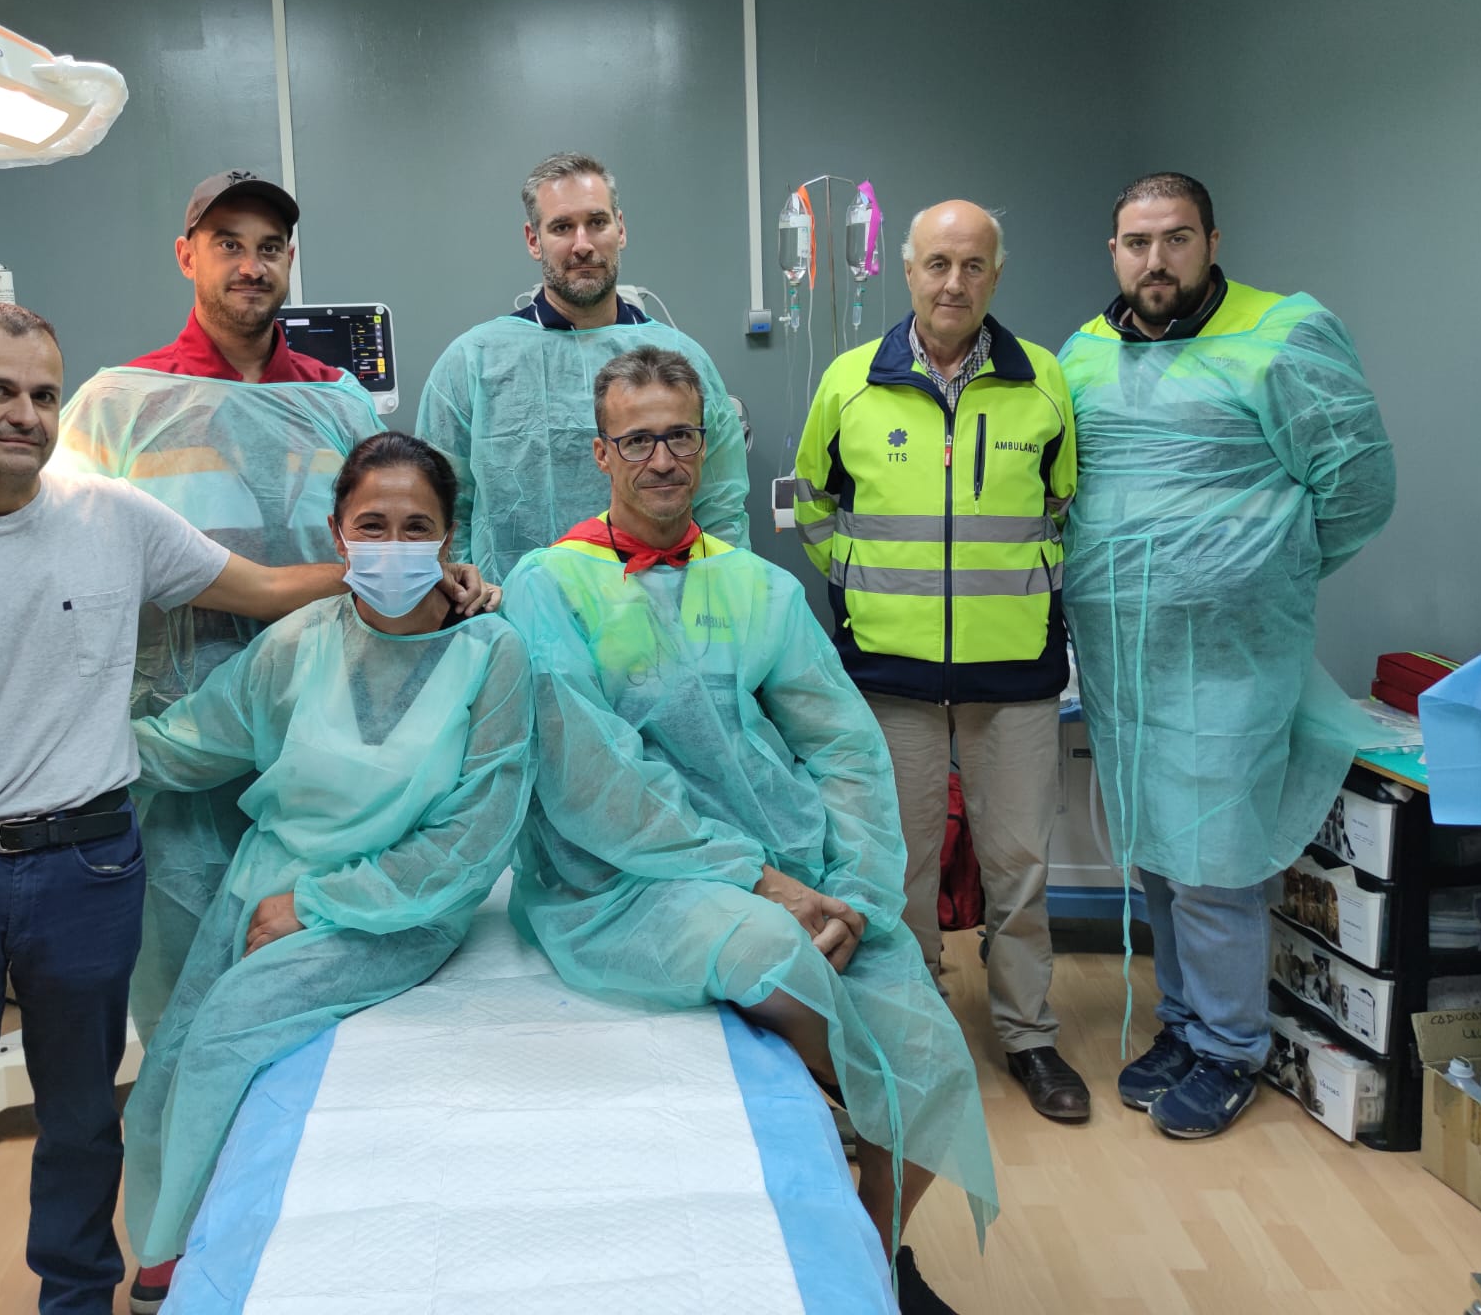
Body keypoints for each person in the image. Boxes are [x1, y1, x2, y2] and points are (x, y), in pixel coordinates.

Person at [0, 171, 409, 1310]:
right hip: (164, 773)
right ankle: (171, 1252)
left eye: (273, 247)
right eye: (228, 244)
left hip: (327, 759)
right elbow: (13, 506)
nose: (253, 266)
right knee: (179, 1027)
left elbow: (354, 549)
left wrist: (419, 570)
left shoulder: (348, 408)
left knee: (313, 1016)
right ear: (186, 255)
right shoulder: (112, 403)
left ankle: (307, 1245)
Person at [501, 346, 995, 1315]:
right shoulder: (547, 584)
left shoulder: (753, 587)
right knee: (779, 958)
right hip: (619, 879)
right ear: (600, 454)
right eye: (635, 439)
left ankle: (868, 1250)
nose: (660, 459)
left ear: (705, 446)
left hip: (793, 867)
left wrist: (853, 887)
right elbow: (591, 777)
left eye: (678, 435)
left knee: (932, 1062)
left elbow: (843, 750)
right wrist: (757, 881)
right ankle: (845, 1202)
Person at [118, 432, 534, 1268]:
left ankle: (219, 1263)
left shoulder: (492, 654)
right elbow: (188, 743)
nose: (391, 545)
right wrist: (51, 746)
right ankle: (166, 1257)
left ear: (449, 541)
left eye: (416, 528)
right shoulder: (299, 643)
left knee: (226, 1038)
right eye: (371, 525)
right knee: (168, 1066)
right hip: (259, 889)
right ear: (337, 534)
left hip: (398, 909)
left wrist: (316, 905)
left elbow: (471, 839)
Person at [1060, 172, 1395, 1139]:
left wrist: (1262, 573)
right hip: (1127, 656)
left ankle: (1232, 1045)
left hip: (1231, 653)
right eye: (1134, 242)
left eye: (1173, 239)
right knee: (1160, 854)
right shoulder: (1088, 352)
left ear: (1211, 239)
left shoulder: (1282, 335)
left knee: (1215, 859)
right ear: (1113, 251)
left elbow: (1360, 486)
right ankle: (1185, 1021)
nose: (1152, 260)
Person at [793, 200, 1089, 1124]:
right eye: (936, 264)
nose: (953, 282)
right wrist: (867, 593)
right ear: (908, 271)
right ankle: (911, 1025)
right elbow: (814, 505)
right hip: (890, 678)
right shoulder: (850, 383)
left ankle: (1029, 1036)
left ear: (996, 275)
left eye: (972, 265)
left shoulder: (1042, 381)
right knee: (901, 865)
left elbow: (1065, 509)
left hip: (1015, 680)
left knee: (1018, 865)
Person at [416, 151, 750, 581]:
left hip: (663, 620)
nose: (583, 244)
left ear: (621, 228)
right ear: (533, 238)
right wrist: (467, 611)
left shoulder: (682, 360)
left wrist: (721, 600)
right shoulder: (472, 363)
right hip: (515, 625)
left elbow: (721, 507)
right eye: (561, 227)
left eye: (597, 222)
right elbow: (437, 510)